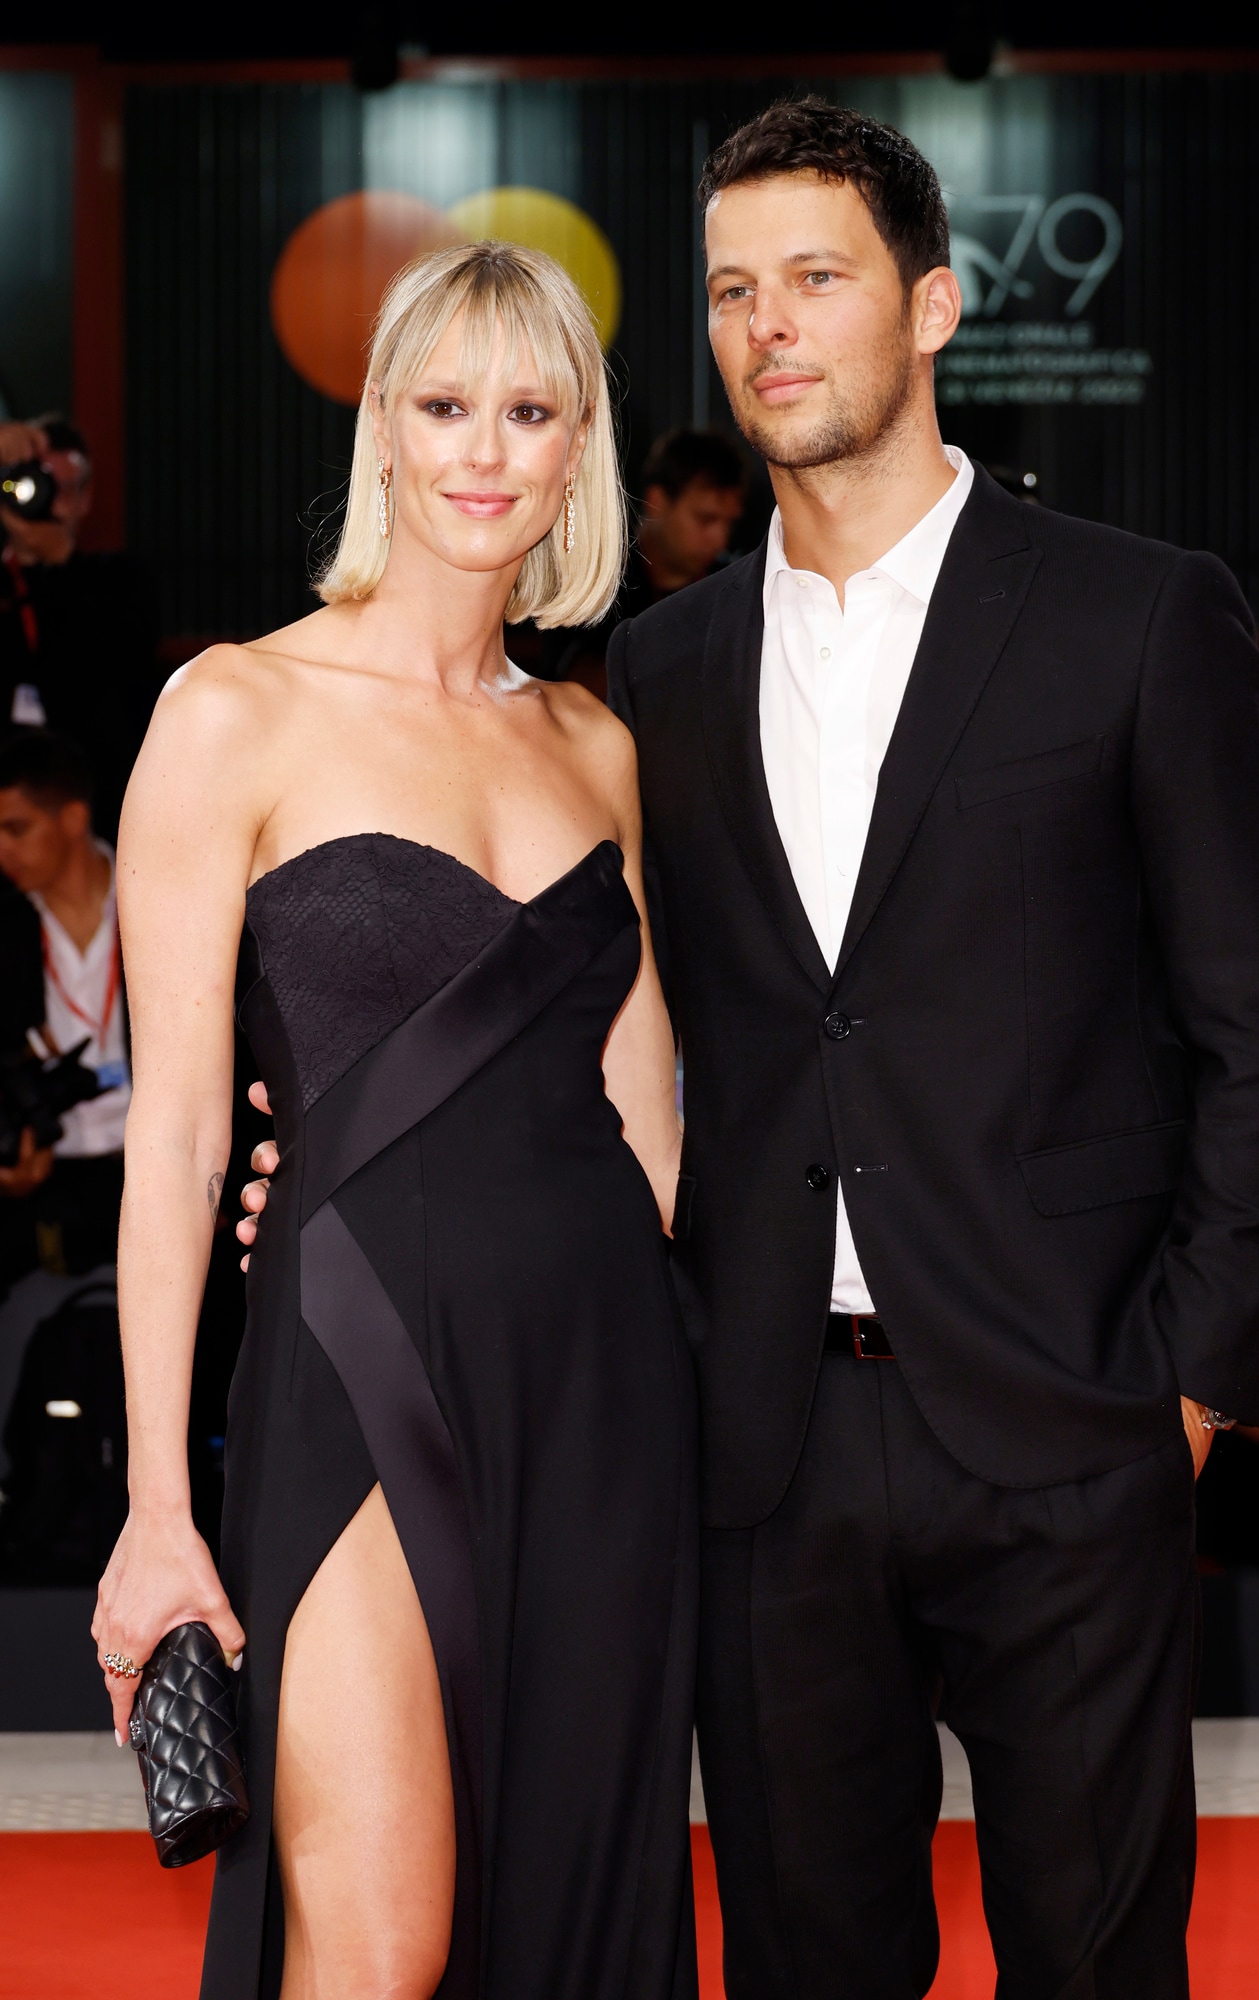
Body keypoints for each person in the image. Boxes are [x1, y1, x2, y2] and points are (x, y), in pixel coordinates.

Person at [602, 99, 1259, 1998]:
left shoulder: (1131, 613)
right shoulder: (659, 670)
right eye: (730, 290)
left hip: (1069, 1416)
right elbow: (619, 1031)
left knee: (1094, 1965)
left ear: (931, 304)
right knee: (803, 1964)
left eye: (812, 277)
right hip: (766, 1439)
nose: (765, 324)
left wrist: (1192, 1385)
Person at [93, 242, 697, 2000]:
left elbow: (647, 1123)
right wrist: (153, 1504)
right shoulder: (232, 709)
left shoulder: (595, 745)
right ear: (380, 427)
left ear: (578, 451)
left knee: (570, 1925)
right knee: (375, 1947)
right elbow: (179, 1138)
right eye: (444, 405)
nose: (483, 452)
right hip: (353, 1364)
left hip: (599, 1382)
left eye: (529, 410)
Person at [0, 729, 129, 1290]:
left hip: (164, 1167)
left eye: (15, 829)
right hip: (46, 1186)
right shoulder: (7, 928)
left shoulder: (162, 896)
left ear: (74, 818)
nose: (1, 849)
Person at [0, 415, 159, 837]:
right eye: (36, 483)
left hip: (96, 807)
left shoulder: (119, 580)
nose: (48, 501)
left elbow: (104, 682)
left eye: (64, 488)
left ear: (85, 498)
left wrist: (59, 562)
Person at [546, 426, 746, 696]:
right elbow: (571, 685)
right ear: (656, 501)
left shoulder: (732, 590)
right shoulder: (595, 583)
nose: (720, 541)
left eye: (728, 524)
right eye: (705, 519)